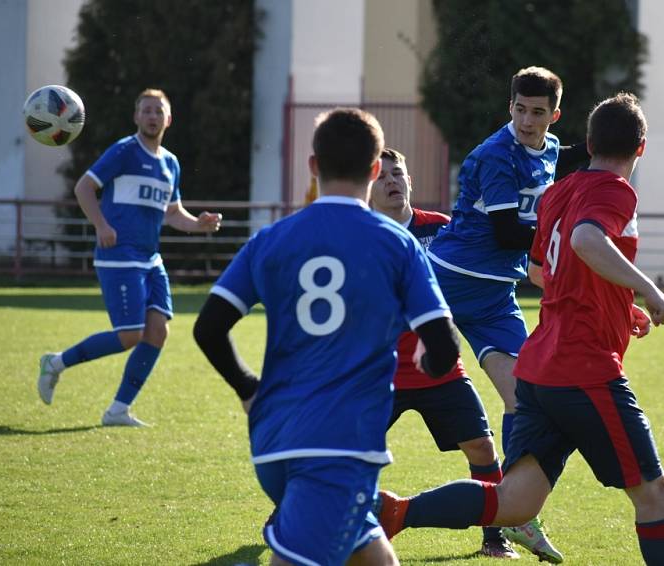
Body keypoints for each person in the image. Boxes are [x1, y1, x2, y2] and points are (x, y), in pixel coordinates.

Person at [377, 93, 664, 566]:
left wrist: (621, 304)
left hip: (541, 369)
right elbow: (586, 240)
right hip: (584, 368)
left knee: (515, 501)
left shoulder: (559, 194)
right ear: (641, 148)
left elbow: (545, 270)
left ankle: (393, 512)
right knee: (654, 494)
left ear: (586, 143)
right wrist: (651, 290)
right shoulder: (615, 190)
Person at [193, 108, 462, 566]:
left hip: (273, 437)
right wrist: (431, 363)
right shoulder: (396, 243)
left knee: (376, 559)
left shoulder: (271, 238)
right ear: (376, 168)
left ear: (313, 166)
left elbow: (209, 328)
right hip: (339, 445)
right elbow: (444, 343)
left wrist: (247, 387)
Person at [370, 147, 562, 561]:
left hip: (440, 371)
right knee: (341, 448)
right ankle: (295, 515)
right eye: (381, 176)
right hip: (379, 373)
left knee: (482, 447)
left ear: (410, 181)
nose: (391, 181)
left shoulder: (445, 232)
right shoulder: (362, 237)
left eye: (398, 173)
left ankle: (497, 535)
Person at [425, 66, 585, 556]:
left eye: (538, 112)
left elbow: (552, 195)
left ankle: (518, 515)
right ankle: (304, 493)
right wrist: (570, 242)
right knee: (377, 396)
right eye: (520, 109)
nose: (527, 121)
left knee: (527, 401)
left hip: (495, 300)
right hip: (447, 288)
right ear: (509, 106)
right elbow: (506, 232)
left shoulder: (551, 150)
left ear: (554, 116)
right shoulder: (496, 154)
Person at [37, 88, 222, 427]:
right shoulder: (123, 151)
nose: (152, 116)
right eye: (146, 110)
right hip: (118, 255)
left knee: (157, 333)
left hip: (150, 259)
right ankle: (56, 363)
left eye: (158, 111)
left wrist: (200, 225)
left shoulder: (170, 163)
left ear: (168, 119)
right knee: (130, 335)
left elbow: (173, 213)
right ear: (136, 117)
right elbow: (84, 188)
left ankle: (118, 410)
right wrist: (101, 225)